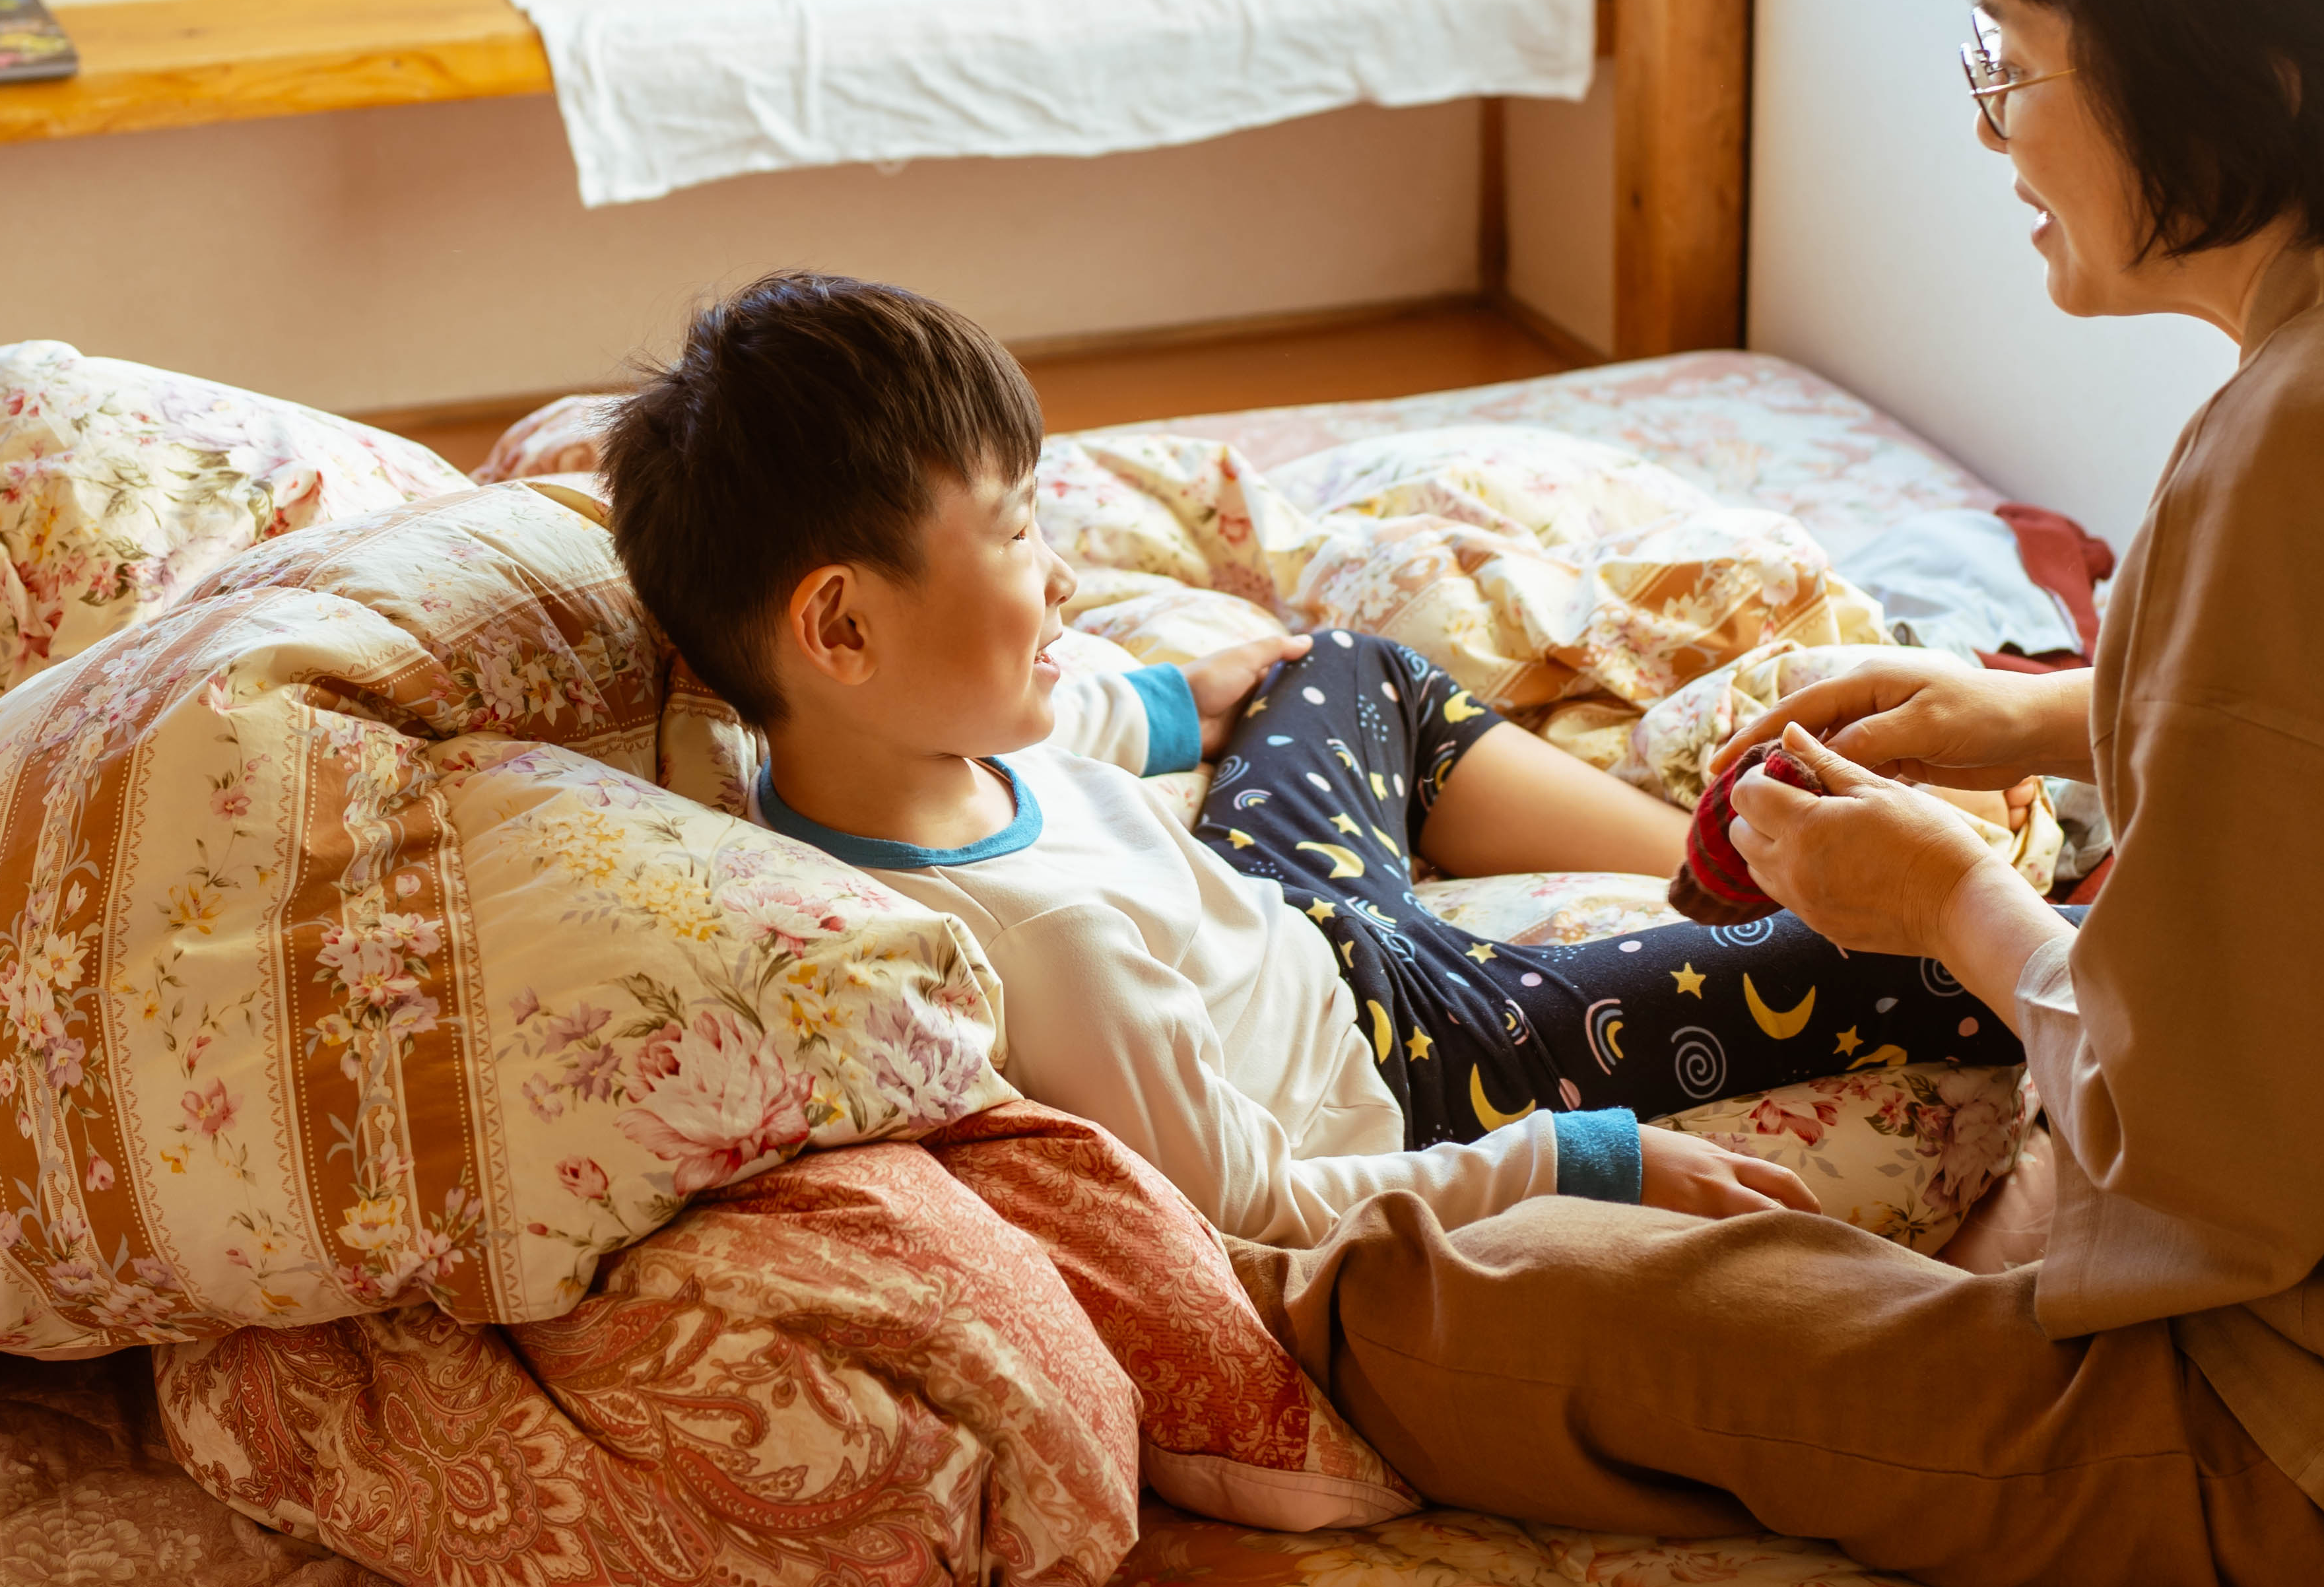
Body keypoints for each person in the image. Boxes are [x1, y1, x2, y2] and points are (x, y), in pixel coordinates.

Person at [1249, 0, 2324, 1587]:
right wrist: (2050, 715)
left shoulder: (2321, 445)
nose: (1986, 121)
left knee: (1458, 1306)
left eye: (2016, 59)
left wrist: (1948, 904)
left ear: (2238, 81)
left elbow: (2219, 1173)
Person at [599, 277, 2001, 1252]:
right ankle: (1825, 910)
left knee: (1344, 669)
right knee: (1919, 961)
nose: (1062, 570)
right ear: (842, 627)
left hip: (1286, 918)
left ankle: (1698, 869)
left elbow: (1063, 738)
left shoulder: (826, 765)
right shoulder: (1055, 951)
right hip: (1419, 1060)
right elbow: (1252, 1209)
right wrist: (1584, 1160)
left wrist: (1174, 703)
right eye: (1017, 533)